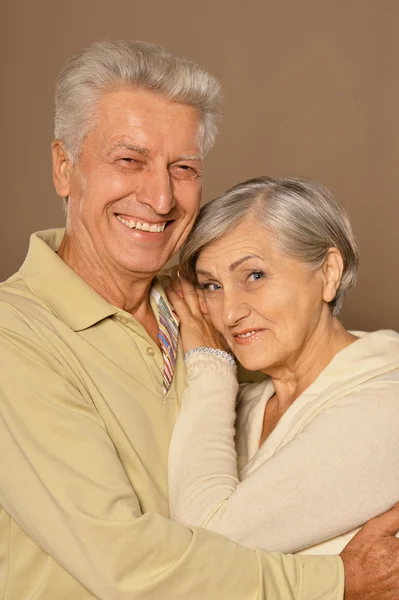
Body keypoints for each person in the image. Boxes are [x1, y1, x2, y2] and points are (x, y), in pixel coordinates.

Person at [0, 40, 399, 600]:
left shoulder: (203, 310)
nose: (160, 197)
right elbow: (127, 564)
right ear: (65, 168)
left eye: (182, 168)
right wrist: (338, 581)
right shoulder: (15, 337)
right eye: (128, 160)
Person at [167, 175, 399, 555]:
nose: (229, 313)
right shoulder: (248, 404)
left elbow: (206, 551)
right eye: (212, 286)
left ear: (329, 273)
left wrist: (211, 366)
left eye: (254, 276)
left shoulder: (388, 406)